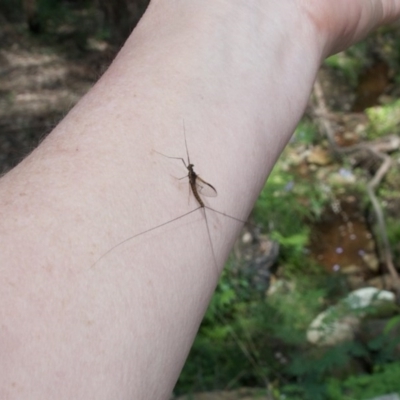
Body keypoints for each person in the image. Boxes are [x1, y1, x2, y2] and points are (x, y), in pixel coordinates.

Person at [1, 1, 399, 399]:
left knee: (199, 200)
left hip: (199, 186)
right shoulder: (191, 172)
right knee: (198, 199)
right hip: (199, 181)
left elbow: (188, 174)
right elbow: (187, 171)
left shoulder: (191, 174)